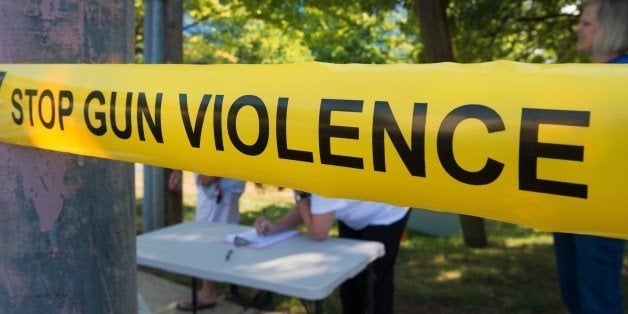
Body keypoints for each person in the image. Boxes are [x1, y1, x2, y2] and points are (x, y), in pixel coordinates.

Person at [553, 1, 627, 313]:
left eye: (586, 24)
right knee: (576, 295)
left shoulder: (621, 79)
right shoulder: (587, 79)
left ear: (611, 29)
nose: (576, 29)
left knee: (596, 300)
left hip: (599, 209)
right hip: (570, 202)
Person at [255, 191, 410, 314]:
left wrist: (299, 195)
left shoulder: (322, 180)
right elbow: (313, 207)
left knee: (373, 284)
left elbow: (318, 232)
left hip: (386, 213)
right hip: (358, 213)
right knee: (350, 282)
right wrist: (278, 227)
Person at [168, 171, 246, 311]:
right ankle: (211, 288)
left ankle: (208, 292)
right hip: (216, 184)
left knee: (210, 239)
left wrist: (213, 173)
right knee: (214, 237)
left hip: (219, 185)